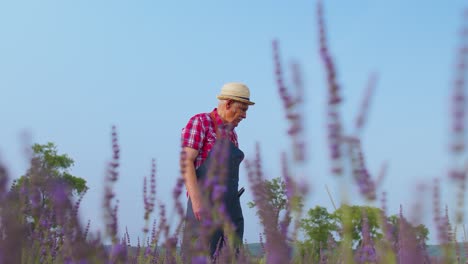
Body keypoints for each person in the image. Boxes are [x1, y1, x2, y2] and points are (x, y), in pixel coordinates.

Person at [180, 82, 254, 258]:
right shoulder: (200, 122)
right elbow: (186, 162)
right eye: (242, 109)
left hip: (231, 208)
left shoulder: (232, 135)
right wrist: (197, 203)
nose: (244, 115)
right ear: (228, 103)